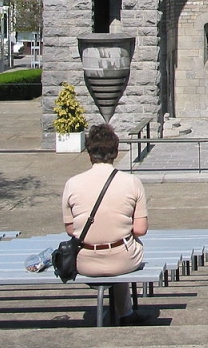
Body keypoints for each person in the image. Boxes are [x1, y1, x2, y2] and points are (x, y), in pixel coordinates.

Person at [62, 123, 152, 325]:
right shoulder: (131, 182)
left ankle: (124, 312)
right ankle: (126, 313)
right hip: (122, 258)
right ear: (115, 151)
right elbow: (140, 229)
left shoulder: (72, 184)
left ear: (89, 153)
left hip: (85, 261)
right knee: (124, 244)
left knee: (110, 244)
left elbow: (71, 229)